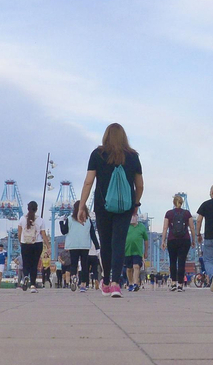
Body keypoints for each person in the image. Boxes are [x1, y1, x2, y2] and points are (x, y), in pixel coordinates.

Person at [76, 123, 144, 298]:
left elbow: (88, 182)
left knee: (106, 243)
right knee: (119, 243)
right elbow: (140, 185)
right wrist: (135, 205)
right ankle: (116, 283)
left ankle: (105, 281)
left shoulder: (97, 154)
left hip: (102, 206)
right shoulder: (133, 156)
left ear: (105, 136)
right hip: (125, 206)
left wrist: (82, 206)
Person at [61, 201, 97, 291]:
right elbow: (92, 234)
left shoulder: (70, 219)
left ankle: (73, 277)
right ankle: (83, 285)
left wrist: (61, 222)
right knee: (84, 265)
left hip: (73, 245)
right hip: (84, 245)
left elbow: (64, 231)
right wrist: (97, 246)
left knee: (74, 264)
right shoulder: (88, 220)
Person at [163, 194, 193, 291]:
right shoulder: (187, 213)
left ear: (173, 202)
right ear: (182, 202)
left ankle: (173, 283)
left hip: (172, 240)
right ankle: (180, 285)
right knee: (181, 262)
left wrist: (163, 240)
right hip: (185, 240)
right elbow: (192, 227)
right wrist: (194, 240)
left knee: (172, 261)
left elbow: (165, 228)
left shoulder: (169, 213)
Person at [18, 200, 50, 291]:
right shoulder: (40, 220)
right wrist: (48, 246)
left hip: (25, 243)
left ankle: (25, 277)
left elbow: (19, 233)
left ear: (27, 208)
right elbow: (43, 234)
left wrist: (21, 242)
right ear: (36, 209)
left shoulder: (22, 219)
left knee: (26, 263)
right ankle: (32, 285)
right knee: (34, 264)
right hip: (37, 244)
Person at [125, 209, 148, 291]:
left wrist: (146, 252)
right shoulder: (126, 225)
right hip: (127, 251)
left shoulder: (142, 227)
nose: (132, 218)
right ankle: (130, 283)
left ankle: (135, 284)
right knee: (129, 269)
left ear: (137, 217)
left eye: (134, 216)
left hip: (138, 251)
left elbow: (146, 239)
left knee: (136, 266)